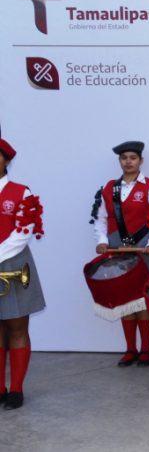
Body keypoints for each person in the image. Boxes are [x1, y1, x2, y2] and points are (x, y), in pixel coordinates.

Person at [90, 141, 149, 367]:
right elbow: (100, 219)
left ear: (141, 160)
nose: (128, 161)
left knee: (142, 301)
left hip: (144, 250)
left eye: (133, 157)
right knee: (124, 300)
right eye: (124, 158)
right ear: (119, 161)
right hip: (117, 250)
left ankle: (146, 349)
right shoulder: (108, 188)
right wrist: (102, 241)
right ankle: (130, 349)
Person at [0, 139, 45, 410]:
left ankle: (16, 389)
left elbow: (23, 232)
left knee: (17, 328)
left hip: (13, 265)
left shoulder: (21, 192)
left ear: (6, 160)